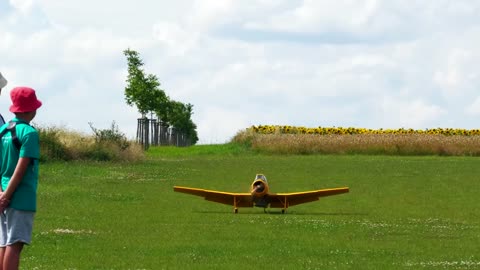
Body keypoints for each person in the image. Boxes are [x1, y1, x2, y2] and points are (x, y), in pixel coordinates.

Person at [0, 86, 42, 270]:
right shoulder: (29, 133)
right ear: (31, 109)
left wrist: (1, 194)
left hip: (1, 192)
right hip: (21, 195)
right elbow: (21, 169)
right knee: (15, 244)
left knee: (3, 243)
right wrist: (7, 196)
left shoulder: (2, 130)